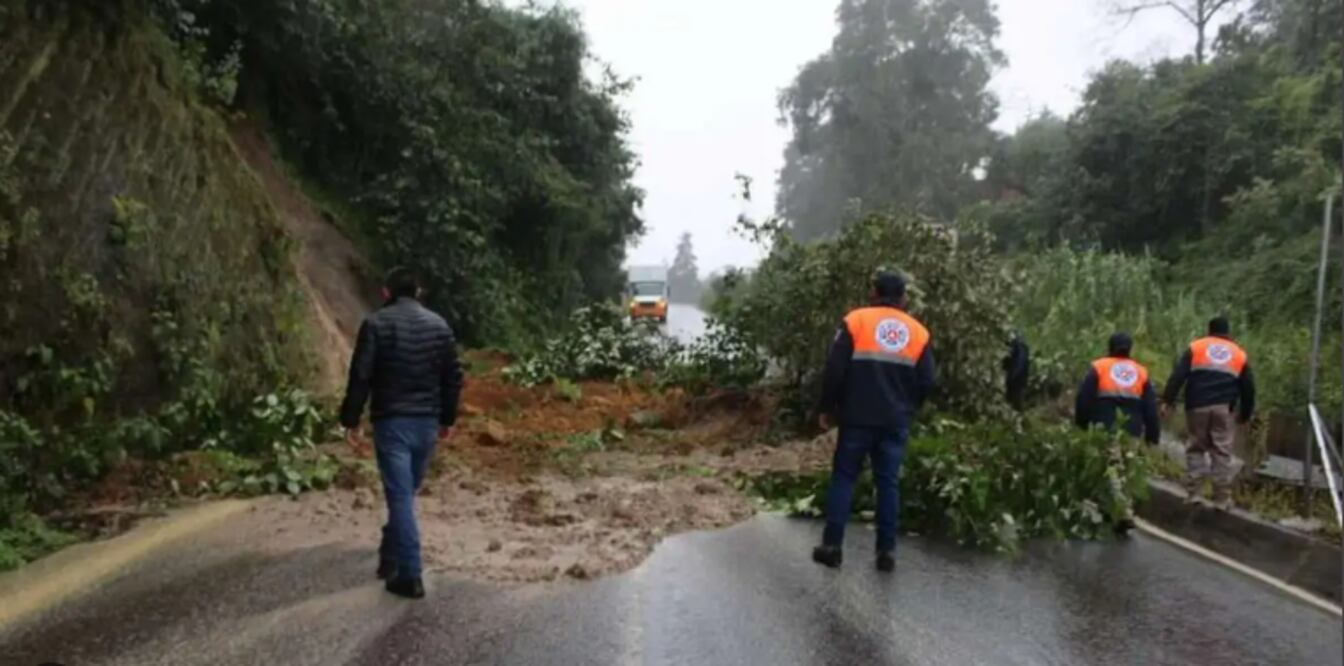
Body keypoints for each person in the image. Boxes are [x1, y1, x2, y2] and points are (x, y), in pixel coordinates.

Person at [340, 267, 463, 599]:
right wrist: (448, 419)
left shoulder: (376, 324)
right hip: (427, 425)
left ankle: (409, 575)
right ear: (418, 292)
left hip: (392, 424)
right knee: (405, 495)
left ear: (386, 292)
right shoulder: (439, 326)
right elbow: (453, 377)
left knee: (400, 497)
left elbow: (361, 375)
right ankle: (391, 555)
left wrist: (351, 419)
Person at [813, 270, 935, 572]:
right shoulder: (918, 332)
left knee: (844, 478)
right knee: (888, 483)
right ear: (903, 298)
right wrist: (909, 408)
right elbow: (927, 381)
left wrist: (827, 407)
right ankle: (886, 552)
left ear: (874, 293)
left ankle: (832, 546)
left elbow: (834, 369)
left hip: (857, 417)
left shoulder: (856, 321)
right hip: (894, 421)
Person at [1160, 316, 1256, 509]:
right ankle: (1221, 499)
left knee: (1196, 448)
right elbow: (1249, 387)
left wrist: (1167, 400)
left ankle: (1194, 493)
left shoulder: (1196, 347)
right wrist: (1245, 414)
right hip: (1224, 409)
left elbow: (1178, 375)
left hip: (1197, 406)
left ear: (1209, 330)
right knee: (1221, 451)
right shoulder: (1238, 354)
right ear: (1227, 332)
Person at [1074, 332, 1159, 445]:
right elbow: (1151, 411)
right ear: (1130, 349)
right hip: (1131, 436)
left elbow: (1083, 400)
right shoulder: (1141, 372)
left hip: (1101, 433)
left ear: (1110, 347)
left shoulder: (1099, 367)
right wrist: (1152, 440)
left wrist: (1081, 427)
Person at [1003, 332, 1030, 412]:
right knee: (1016, 400)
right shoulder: (1022, 346)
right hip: (1019, 377)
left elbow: (1019, 363)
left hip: (1016, 378)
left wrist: (1011, 377)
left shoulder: (1018, 346)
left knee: (1015, 400)